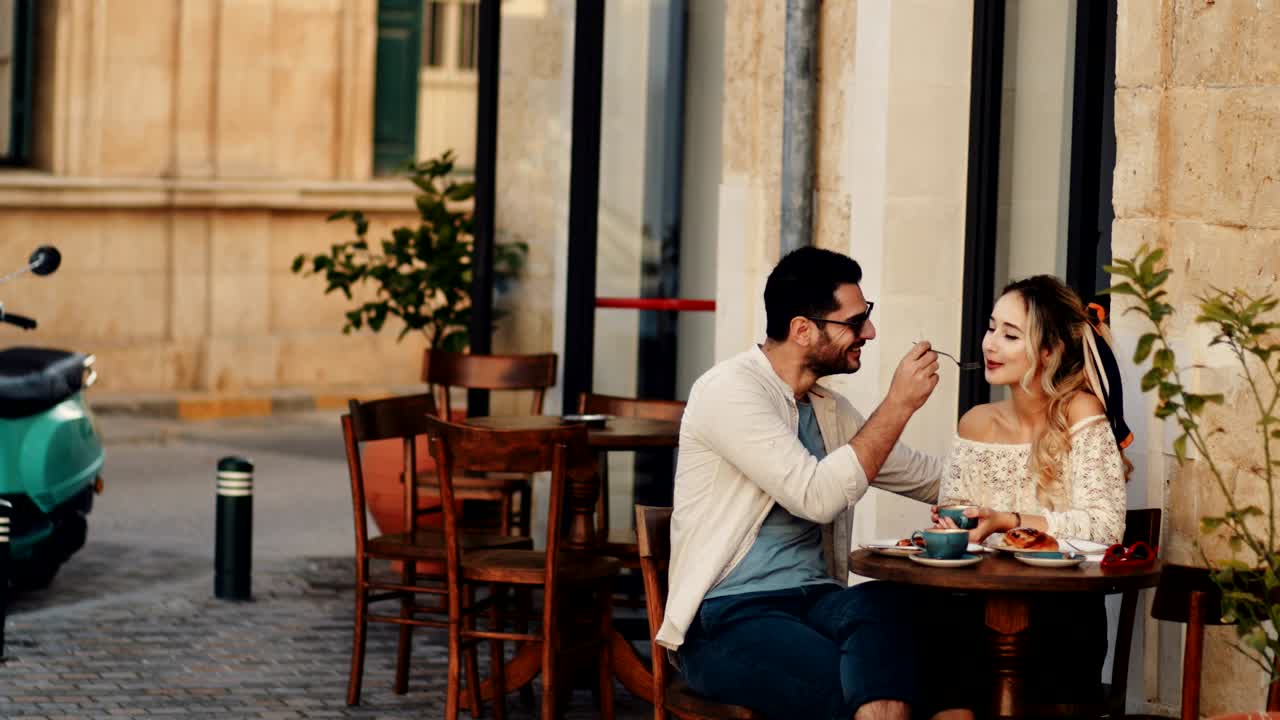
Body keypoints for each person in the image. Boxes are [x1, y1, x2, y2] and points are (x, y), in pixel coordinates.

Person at [656, 246, 971, 720]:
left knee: (908, 612)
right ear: (803, 329)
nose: (870, 332)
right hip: (728, 616)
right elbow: (816, 496)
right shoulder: (730, 391)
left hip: (819, 602)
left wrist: (1047, 480)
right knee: (876, 685)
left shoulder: (829, 410)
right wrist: (898, 405)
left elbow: (933, 479)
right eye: (856, 321)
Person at [934, 274, 1131, 703]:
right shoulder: (975, 422)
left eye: (1010, 335)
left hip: (1063, 613)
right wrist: (954, 528)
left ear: (1049, 350)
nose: (990, 345)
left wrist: (1008, 522)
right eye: (991, 329)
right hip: (975, 606)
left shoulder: (1081, 412)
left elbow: (1105, 528)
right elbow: (956, 523)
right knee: (933, 632)